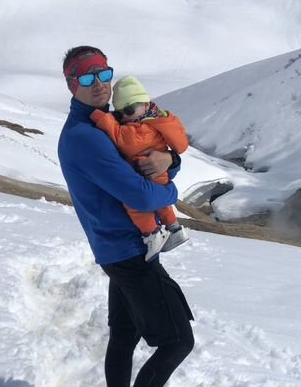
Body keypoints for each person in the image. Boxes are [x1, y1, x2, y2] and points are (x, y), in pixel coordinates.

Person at [57, 46, 194, 387]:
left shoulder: (108, 123)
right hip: (129, 250)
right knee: (178, 341)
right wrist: (172, 193)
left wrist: (170, 162)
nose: (99, 84)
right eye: (87, 77)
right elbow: (138, 193)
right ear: (72, 84)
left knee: (124, 334)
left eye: (104, 74)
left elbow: (147, 155)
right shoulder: (85, 137)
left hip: (116, 249)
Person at [91, 75, 190, 262]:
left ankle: (152, 233)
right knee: (161, 204)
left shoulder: (143, 128)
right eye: (120, 114)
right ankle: (174, 228)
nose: (125, 118)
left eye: (128, 110)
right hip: (157, 174)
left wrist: (103, 118)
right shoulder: (155, 120)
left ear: (145, 104)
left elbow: (124, 141)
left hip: (149, 172)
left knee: (134, 204)